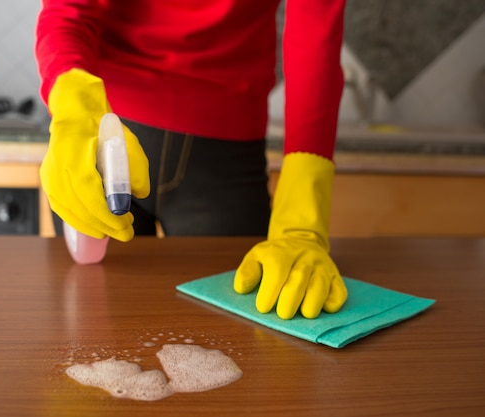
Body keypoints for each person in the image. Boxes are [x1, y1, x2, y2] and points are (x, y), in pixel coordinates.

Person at [35, 0, 348, 320]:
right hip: (132, 140)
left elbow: (70, 10)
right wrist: (301, 220)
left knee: (99, 327)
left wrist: (74, 104)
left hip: (113, 132)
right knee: (233, 332)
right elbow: (315, 36)